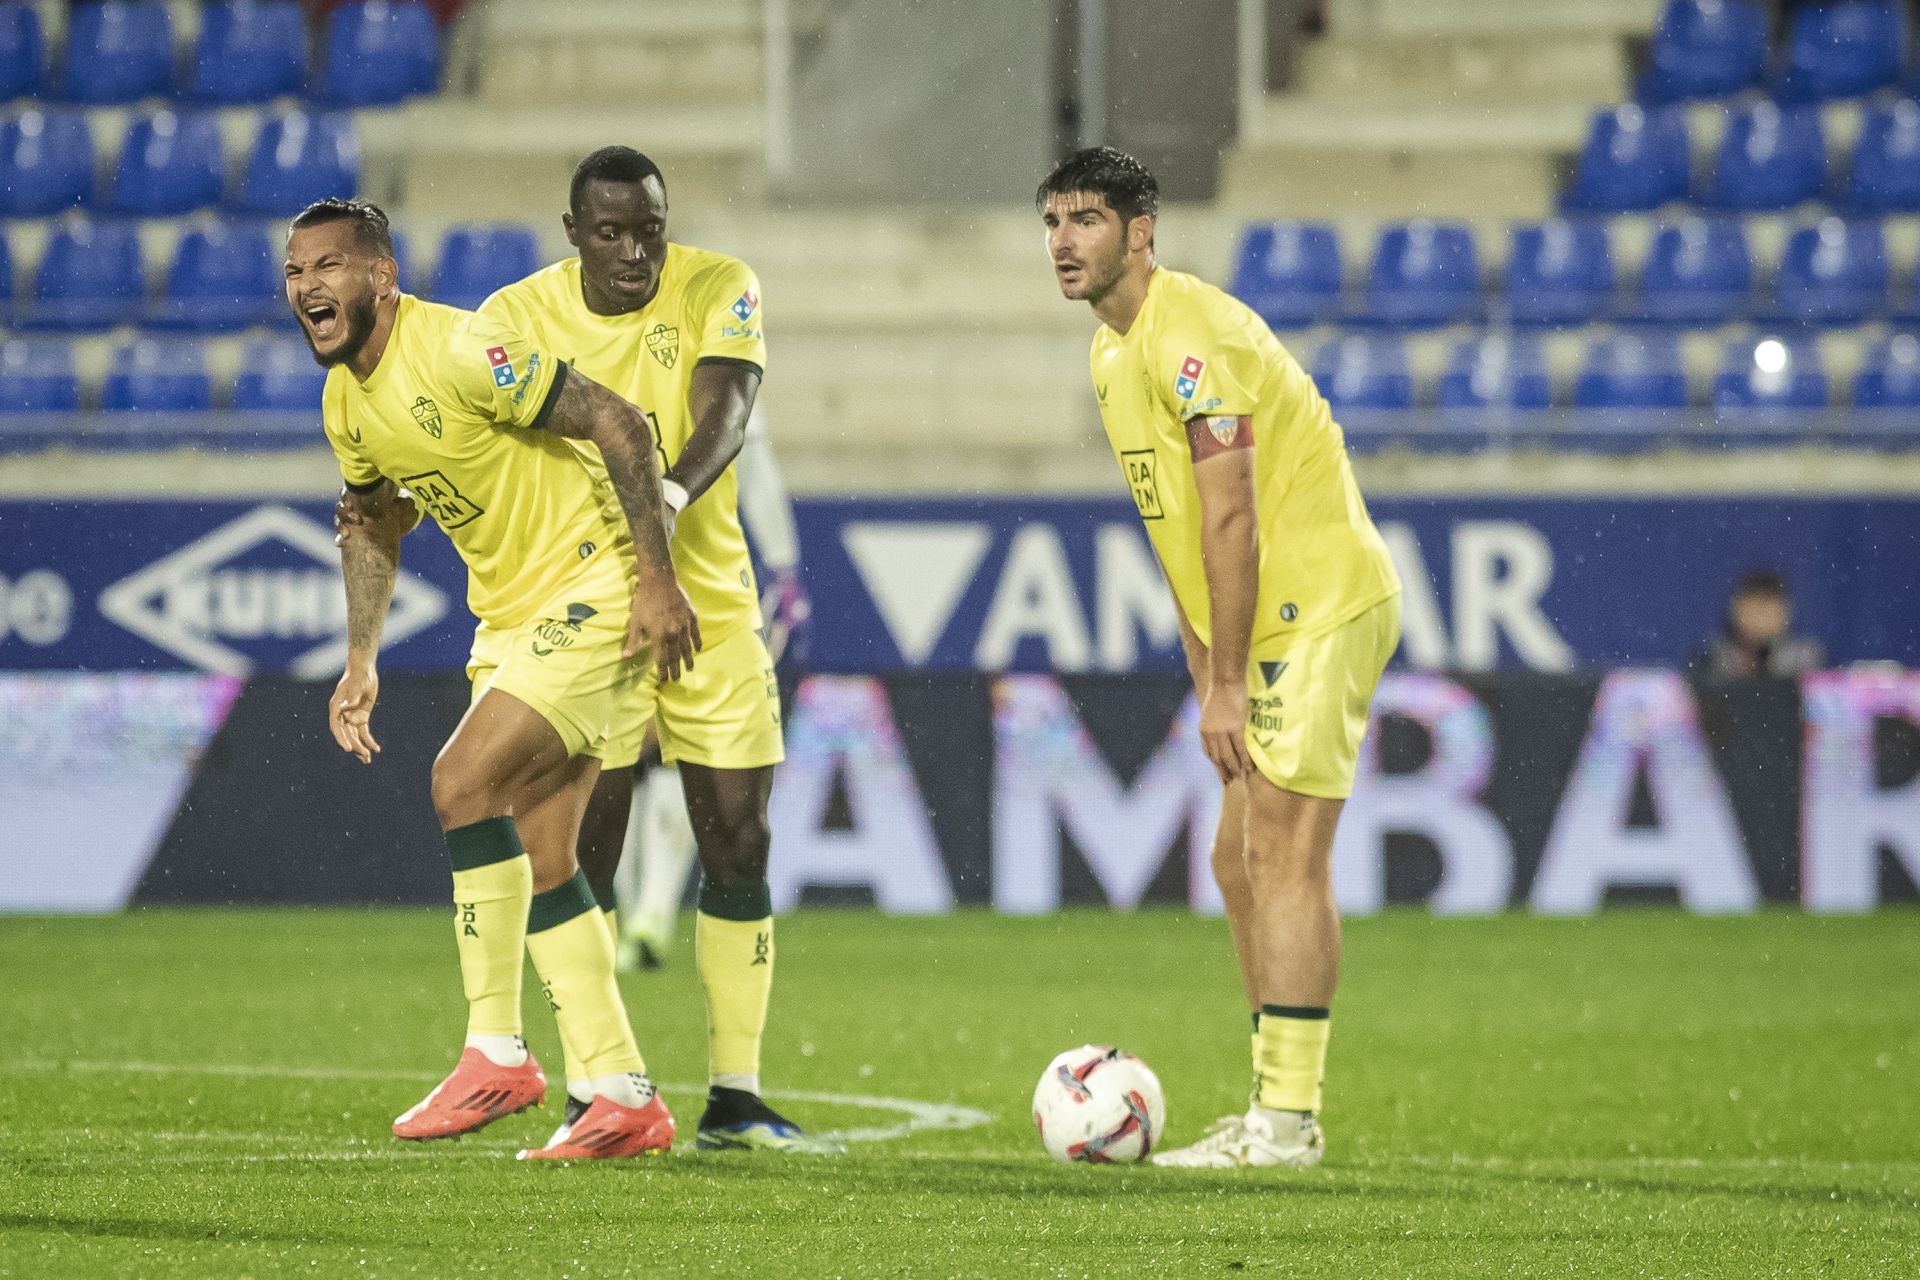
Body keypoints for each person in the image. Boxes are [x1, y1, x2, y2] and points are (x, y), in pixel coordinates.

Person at [296, 195, 698, 1162]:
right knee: (545, 855)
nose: (308, 286)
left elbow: (620, 419)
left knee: (461, 782)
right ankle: (619, 1093)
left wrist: (655, 576)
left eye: (329, 266)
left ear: (382, 276)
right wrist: (362, 657)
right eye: (295, 272)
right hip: (515, 617)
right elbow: (377, 522)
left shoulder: (465, 351)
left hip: (597, 586)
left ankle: (497, 1051)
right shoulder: (345, 400)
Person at [453, 147, 832, 1154]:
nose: (633, 252)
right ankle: (598, 1081)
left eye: (649, 230)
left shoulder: (720, 286)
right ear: (573, 230)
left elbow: (730, 414)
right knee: (590, 846)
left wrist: (659, 507)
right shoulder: (516, 316)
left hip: (707, 601)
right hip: (583, 611)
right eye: (611, 233)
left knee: (739, 838)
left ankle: (736, 1094)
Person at [1038, 147, 1402, 1168]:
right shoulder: (1113, 356)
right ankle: (1269, 1105)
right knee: (1235, 860)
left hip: (1320, 605)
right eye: (1054, 221)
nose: (1064, 241)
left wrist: (1233, 679)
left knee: (1283, 853)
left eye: (1087, 220)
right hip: (1266, 628)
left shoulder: (1191, 332)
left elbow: (1233, 515)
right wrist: (1208, 673)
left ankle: (1288, 1121)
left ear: (1140, 232)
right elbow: (1177, 530)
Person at [618, 400, 811, 976]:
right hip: (628, 564)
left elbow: (750, 452)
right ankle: (637, 913)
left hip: (685, 569)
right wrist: (783, 564)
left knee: (662, 747)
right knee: (633, 750)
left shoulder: (717, 335)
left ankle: (645, 914)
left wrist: (781, 566)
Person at [1691, 569, 1822, 679]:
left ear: (1787, 611)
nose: (1761, 613)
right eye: (1754, 602)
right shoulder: (1711, 660)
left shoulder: (1807, 663)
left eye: (1768, 602)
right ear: (1735, 608)